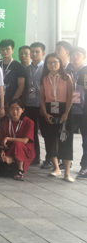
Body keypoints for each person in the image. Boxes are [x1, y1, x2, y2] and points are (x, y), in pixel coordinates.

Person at [39, 53, 74, 182]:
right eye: (49, 62)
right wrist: (45, 113)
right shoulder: (44, 78)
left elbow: (70, 96)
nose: (52, 64)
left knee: (66, 139)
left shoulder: (67, 77)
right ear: (46, 64)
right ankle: (56, 168)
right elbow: (42, 98)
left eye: (55, 62)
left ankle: (67, 173)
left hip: (65, 108)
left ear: (60, 63)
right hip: (49, 109)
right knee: (50, 138)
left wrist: (66, 113)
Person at [0, 99, 35, 181]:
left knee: (17, 143)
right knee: (4, 163)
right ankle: (12, 158)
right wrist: (2, 150)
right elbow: (1, 140)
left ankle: (20, 170)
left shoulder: (29, 122)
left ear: (22, 110)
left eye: (17, 109)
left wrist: (9, 138)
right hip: (9, 149)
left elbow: (25, 141)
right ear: (9, 109)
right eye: (12, 108)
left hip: (25, 150)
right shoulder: (5, 122)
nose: (15, 111)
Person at [24, 42, 46, 166]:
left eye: (37, 51)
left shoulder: (46, 68)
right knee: (31, 132)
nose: (34, 54)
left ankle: (50, 158)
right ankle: (35, 156)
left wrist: (44, 105)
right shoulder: (27, 69)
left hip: (42, 105)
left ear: (43, 53)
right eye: (32, 51)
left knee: (45, 132)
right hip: (29, 104)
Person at [0, 39, 25, 113]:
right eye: (2, 49)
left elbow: (21, 87)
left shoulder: (19, 66)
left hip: (13, 103)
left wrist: (11, 102)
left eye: (7, 49)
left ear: (12, 50)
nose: (5, 51)